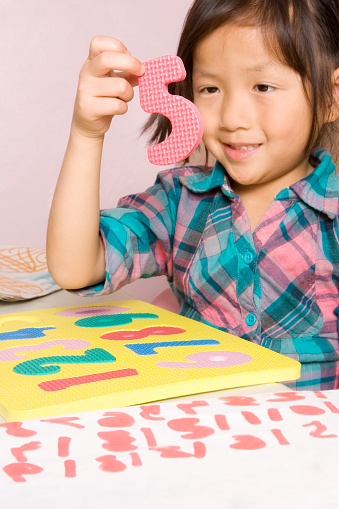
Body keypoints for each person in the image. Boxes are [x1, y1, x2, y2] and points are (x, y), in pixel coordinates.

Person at [46, 0, 339, 390]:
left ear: (331, 97)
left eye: (263, 86)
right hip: (197, 433)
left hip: (313, 443)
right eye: (210, 88)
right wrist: (87, 135)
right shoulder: (180, 200)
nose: (233, 117)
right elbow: (75, 267)